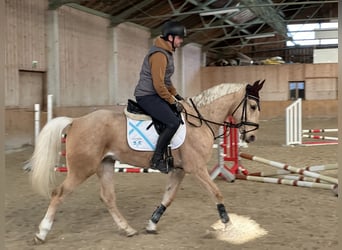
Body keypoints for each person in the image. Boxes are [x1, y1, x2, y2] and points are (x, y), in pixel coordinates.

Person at [134, 20, 186, 174]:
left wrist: (176, 95)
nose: (181, 41)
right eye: (179, 38)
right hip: (147, 95)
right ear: (170, 37)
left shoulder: (167, 53)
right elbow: (158, 84)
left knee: (177, 115)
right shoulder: (159, 54)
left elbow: (166, 80)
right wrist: (171, 101)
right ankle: (156, 159)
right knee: (173, 122)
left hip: (155, 93)